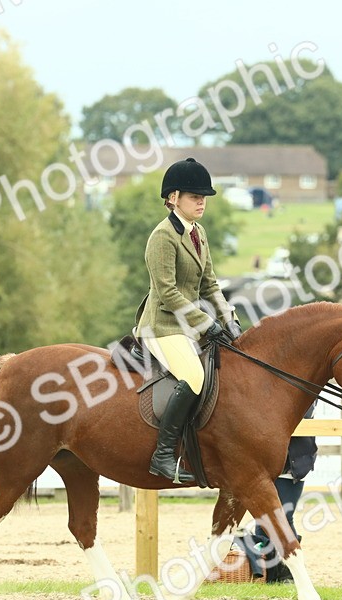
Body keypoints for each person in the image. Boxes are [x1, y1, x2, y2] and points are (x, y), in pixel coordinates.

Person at [134, 157, 241, 484]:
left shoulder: (198, 233)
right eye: (195, 196)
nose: (202, 202)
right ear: (174, 197)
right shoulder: (162, 237)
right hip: (162, 326)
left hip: (188, 326)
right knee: (194, 376)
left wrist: (229, 319)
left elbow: (210, 284)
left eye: (204, 197)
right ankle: (163, 455)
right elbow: (167, 293)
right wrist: (206, 324)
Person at [243, 401, 319, 582]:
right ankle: (272, 573)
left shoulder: (306, 393)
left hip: (293, 460)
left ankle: (283, 571)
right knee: (264, 517)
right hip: (267, 460)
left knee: (283, 515)